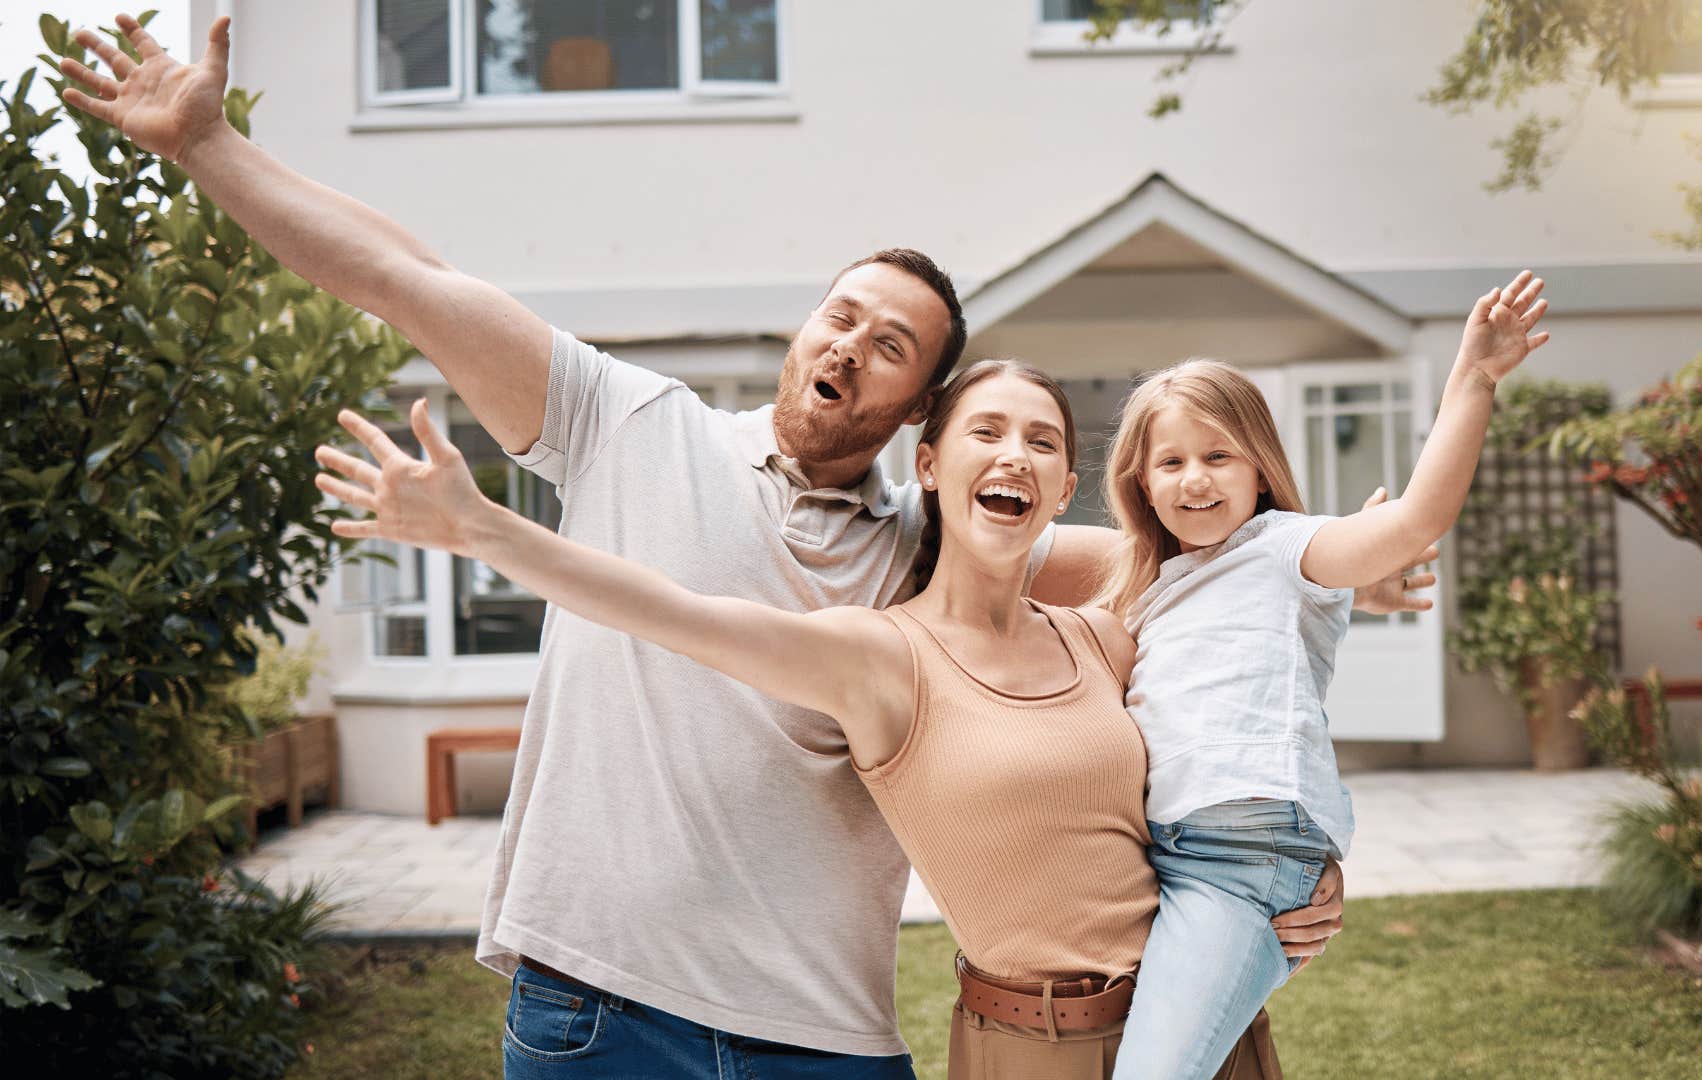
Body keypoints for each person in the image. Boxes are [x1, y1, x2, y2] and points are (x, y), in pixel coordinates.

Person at [61, 15, 1425, 1074]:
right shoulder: (628, 424)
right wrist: (207, 147)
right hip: (597, 1012)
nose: (850, 345)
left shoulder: (931, 549)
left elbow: (1204, 578)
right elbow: (408, 278)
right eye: (840, 315)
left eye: (892, 346)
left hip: (826, 1035)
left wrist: (1348, 608)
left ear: (916, 422)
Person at [323, 359, 1275, 1076]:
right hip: (1025, 1042)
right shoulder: (876, 656)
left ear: (1065, 490)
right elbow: (676, 614)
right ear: (931, 466)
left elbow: (1231, 725)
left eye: (1042, 442)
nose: (1014, 456)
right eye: (988, 431)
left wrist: (1290, 877)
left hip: (1199, 1012)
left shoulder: (1104, 640)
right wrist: (483, 529)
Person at [1098, 274, 1550, 1080]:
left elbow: (1414, 521)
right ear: (1140, 481)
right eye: (1169, 461)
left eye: (1217, 455)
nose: (1194, 478)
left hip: (1246, 858)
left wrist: (1471, 382)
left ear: (1260, 470)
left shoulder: (1284, 547)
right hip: (1172, 856)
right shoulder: (1149, 591)